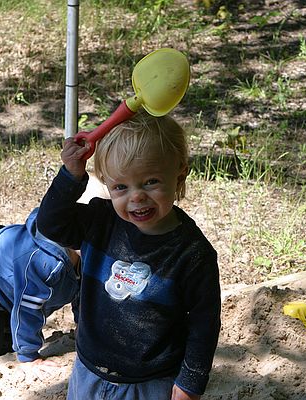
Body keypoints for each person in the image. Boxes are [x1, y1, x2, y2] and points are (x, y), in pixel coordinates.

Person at [36, 110, 221, 400]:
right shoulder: (100, 221)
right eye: (120, 186)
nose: (136, 197)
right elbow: (50, 224)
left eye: (150, 181)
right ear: (106, 183)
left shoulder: (193, 254)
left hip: (150, 382)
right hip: (89, 371)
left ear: (180, 171)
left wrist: (190, 384)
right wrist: (70, 176)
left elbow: (204, 324)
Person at [0, 208, 81, 366]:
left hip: (12, 273)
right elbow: (26, 310)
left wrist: (81, 326)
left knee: (9, 332)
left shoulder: (88, 260)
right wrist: (29, 357)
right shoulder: (47, 264)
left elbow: (84, 293)